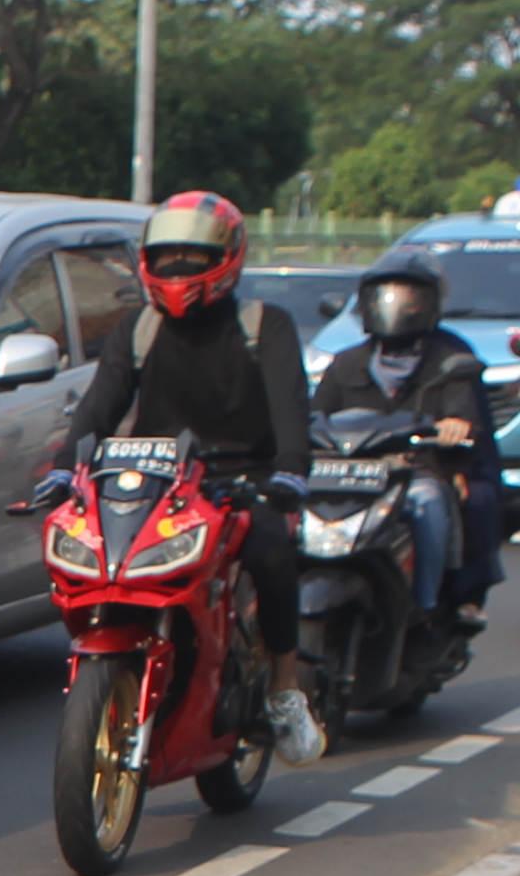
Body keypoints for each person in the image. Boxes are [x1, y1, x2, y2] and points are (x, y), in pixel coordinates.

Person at [33, 191, 318, 755]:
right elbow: (99, 406)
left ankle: (286, 690)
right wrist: (65, 469)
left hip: (242, 482)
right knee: (96, 561)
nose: (177, 270)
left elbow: (291, 409)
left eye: (192, 257)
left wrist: (288, 473)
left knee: (272, 554)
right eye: (166, 258)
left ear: (228, 258)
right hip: (156, 482)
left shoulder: (267, 325)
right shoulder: (137, 329)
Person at [316, 249, 500, 629]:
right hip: (350, 475)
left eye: (408, 295)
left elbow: (465, 416)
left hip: (418, 470)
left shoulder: (452, 357)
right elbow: (316, 415)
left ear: (429, 303)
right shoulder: (347, 361)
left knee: (428, 502)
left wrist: (454, 427)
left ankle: (427, 604)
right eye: (386, 294)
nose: (396, 304)